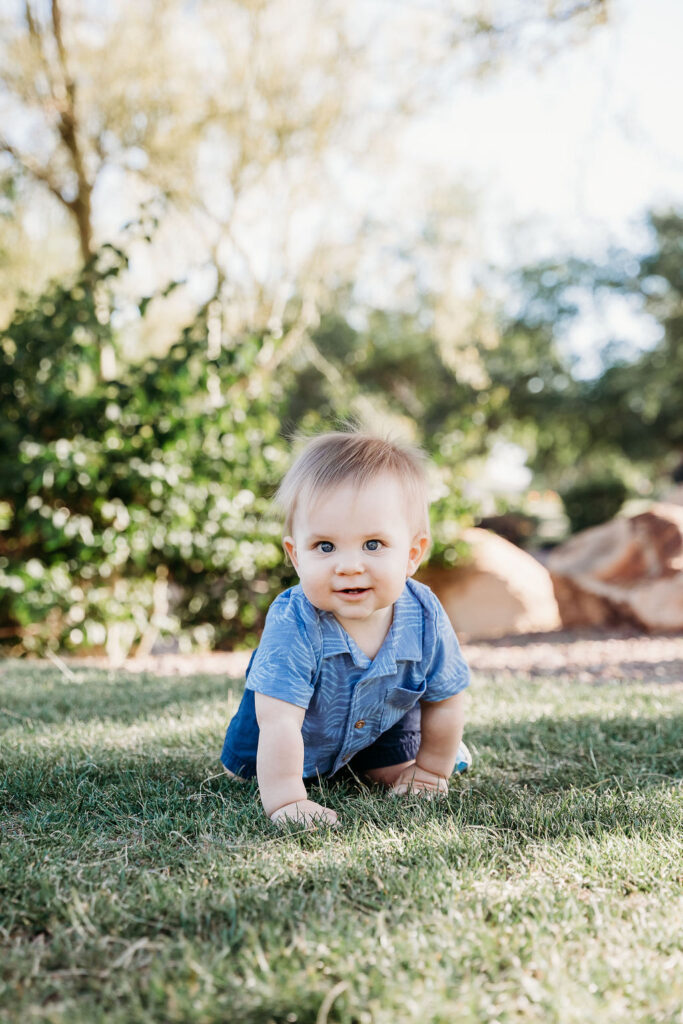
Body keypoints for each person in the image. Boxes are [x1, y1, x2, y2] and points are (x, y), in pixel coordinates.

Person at [220, 430, 471, 826]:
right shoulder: (295, 621)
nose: (349, 565)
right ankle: (286, 779)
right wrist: (286, 800)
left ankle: (387, 760)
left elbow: (445, 698)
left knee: (401, 775)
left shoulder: (424, 614)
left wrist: (433, 769)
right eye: (325, 546)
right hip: (283, 734)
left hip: (376, 724)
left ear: (412, 554)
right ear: (296, 555)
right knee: (245, 777)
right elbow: (280, 721)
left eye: (373, 544)